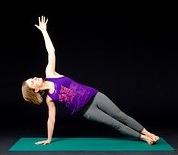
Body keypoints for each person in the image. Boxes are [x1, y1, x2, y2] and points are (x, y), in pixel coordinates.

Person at [21, 15, 159, 145]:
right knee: (115, 124)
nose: (34, 78)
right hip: (87, 111)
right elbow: (51, 119)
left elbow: (51, 51)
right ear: (36, 90)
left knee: (121, 115)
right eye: (32, 81)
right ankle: (144, 138)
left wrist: (44, 32)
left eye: (32, 78)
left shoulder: (50, 73)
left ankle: (149, 133)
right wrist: (49, 139)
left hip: (94, 95)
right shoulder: (49, 99)